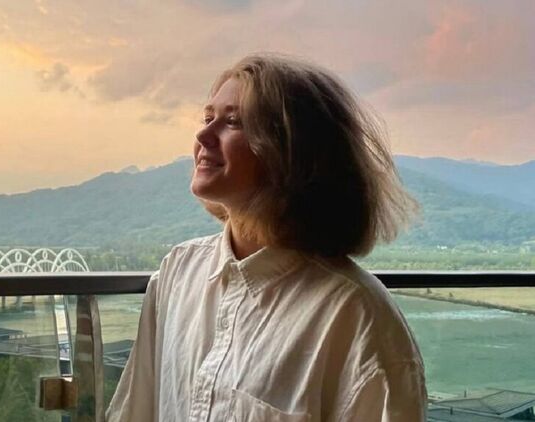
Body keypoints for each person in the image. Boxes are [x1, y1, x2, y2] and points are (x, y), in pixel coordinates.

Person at [106, 54, 426, 422]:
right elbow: (137, 410)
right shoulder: (179, 271)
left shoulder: (356, 314)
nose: (203, 135)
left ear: (292, 153)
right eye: (208, 118)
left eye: (233, 122)